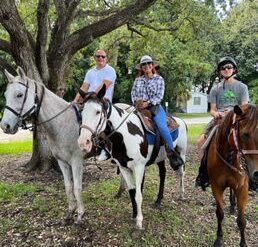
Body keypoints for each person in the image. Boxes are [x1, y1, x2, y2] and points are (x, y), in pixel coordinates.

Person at [196, 56, 250, 189]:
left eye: (229, 67)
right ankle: (204, 173)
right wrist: (217, 114)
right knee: (200, 142)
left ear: (234, 70)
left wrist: (232, 113)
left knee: (250, 140)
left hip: (237, 119)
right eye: (223, 68)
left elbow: (244, 107)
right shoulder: (215, 89)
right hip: (219, 120)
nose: (226, 70)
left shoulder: (242, 87)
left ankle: (251, 176)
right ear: (220, 71)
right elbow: (212, 110)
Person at [131, 55, 184, 170]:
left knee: (162, 127)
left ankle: (172, 154)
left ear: (152, 65)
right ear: (141, 67)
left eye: (148, 63)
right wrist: (137, 102)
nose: (146, 66)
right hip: (139, 107)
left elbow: (159, 96)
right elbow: (133, 94)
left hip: (154, 107)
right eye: (143, 64)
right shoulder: (137, 80)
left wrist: (148, 102)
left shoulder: (159, 79)